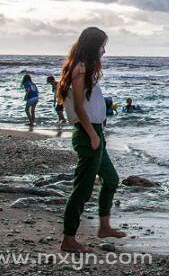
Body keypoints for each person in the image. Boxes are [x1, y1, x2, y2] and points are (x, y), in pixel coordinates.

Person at [57, 27, 126, 253]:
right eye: (101, 46)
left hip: (96, 133)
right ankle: (68, 239)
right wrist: (93, 134)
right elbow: (78, 106)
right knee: (83, 189)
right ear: (92, 45)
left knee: (111, 179)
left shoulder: (87, 70)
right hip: (88, 135)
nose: (103, 50)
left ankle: (104, 227)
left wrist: (99, 131)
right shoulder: (79, 69)